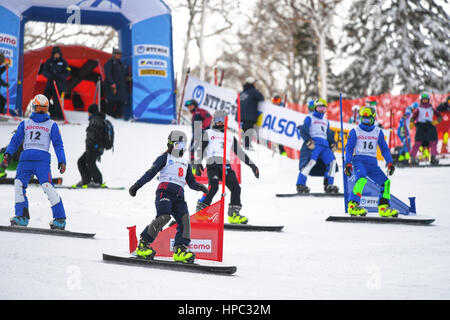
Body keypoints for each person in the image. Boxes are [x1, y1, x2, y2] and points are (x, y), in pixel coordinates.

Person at [128, 130, 209, 263]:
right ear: (171, 145)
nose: (180, 149)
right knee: (164, 217)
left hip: (179, 197)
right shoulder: (165, 157)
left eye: (183, 146)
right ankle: (143, 244)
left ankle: (180, 250)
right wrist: (137, 185)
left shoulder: (185, 162)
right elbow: (150, 173)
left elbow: (191, 182)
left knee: (185, 220)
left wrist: (199, 187)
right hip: (164, 193)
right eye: (178, 145)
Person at [0, 94, 67, 229]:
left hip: (41, 161)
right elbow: (15, 141)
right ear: (34, 107)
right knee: (19, 185)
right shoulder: (25, 123)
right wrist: (8, 154)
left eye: (43, 108)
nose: (41, 111)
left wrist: (62, 160)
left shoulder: (51, 125)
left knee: (47, 186)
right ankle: (22, 216)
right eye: (39, 108)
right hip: (25, 160)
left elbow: (58, 144)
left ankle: (60, 218)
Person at [194, 110, 260, 224]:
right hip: (213, 163)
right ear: (214, 120)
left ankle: (234, 214)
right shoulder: (208, 133)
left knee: (236, 187)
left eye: (222, 120)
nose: (219, 122)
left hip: (226, 165)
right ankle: (201, 209)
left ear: (226, 121)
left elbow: (240, 153)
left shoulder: (229, 136)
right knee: (213, 187)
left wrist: (252, 165)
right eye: (217, 120)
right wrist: (198, 162)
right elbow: (200, 148)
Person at [343, 104, 397, 217]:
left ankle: (383, 207)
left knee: (386, 182)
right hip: (359, 161)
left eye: (368, 119)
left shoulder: (378, 132)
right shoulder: (355, 131)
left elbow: (384, 148)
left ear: (373, 119)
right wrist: (347, 163)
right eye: (363, 119)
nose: (365, 122)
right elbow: (349, 148)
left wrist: (390, 162)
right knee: (361, 179)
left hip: (372, 163)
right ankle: (352, 205)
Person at [296, 99, 339, 194]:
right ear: (315, 108)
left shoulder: (326, 121)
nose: (321, 110)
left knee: (332, 162)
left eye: (323, 108)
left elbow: (329, 134)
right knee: (310, 162)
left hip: (325, 145)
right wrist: (308, 141)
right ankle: (300, 184)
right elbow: (303, 130)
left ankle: (328, 185)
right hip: (315, 144)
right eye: (319, 107)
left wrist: (333, 143)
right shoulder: (310, 118)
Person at [74, 104, 106, 188]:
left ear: (91, 112)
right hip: (94, 147)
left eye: (88, 112)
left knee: (89, 163)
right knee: (82, 161)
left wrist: (93, 145)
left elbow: (95, 135)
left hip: (94, 147)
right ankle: (86, 180)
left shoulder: (96, 120)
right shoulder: (97, 119)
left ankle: (97, 181)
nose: (87, 114)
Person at [409, 93, 442, 165]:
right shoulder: (418, 109)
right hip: (420, 126)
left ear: (428, 100)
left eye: (426, 99)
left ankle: (433, 158)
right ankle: (412, 158)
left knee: (433, 142)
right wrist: (411, 122)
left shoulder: (431, 108)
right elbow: (413, 117)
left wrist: (437, 121)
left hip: (430, 126)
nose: (425, 101)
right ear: (421, 100)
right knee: (418, 142)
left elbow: (440, 116)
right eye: (423, 100)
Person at [42, 46, 71, 120]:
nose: (57, 55)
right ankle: (52, 112)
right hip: (50, 84)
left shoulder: (63, 62)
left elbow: (68, 72)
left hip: (59, 85)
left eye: (58, 54)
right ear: (53, 54)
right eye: (55, 54)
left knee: (57, 100)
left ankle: (59, 116)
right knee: (45, 99)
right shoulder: (49, 62)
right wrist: (51, 75)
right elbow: (44, 71)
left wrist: (59, 76)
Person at [184, 99, 212, 167]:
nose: (189, 107)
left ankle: (210, 167)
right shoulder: (194, 114)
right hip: (196, 135)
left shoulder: (200, 111)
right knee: (192, 149)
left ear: (195, 105)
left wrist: (202, 127)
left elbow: (209, 117)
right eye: (188, 106)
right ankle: (193, 167)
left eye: (191, 106)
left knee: (205, 151)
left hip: (204, 135)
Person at [239, 77, 264, 150]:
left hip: (241, 114)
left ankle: (244, 143)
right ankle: (247, 145)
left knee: (244, 128)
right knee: (249, 129)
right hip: (249, 115)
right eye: (254, 82)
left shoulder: (242, 92)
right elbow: (261, 98)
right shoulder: (253, 91)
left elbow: (236, 100)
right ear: (252, 83)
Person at [104, 48, 128, 119]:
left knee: (121, 101)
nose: (120, 55)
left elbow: (123, 75)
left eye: (120, 54)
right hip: (112, 86)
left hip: (121, 86)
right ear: (114, 55)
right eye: (118, 54)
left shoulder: (121, 64)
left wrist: (128, 78)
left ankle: (117, 116)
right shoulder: (109, 63)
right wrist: (112, 83)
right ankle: (109, 116)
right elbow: (108, 74)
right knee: (111, 102)